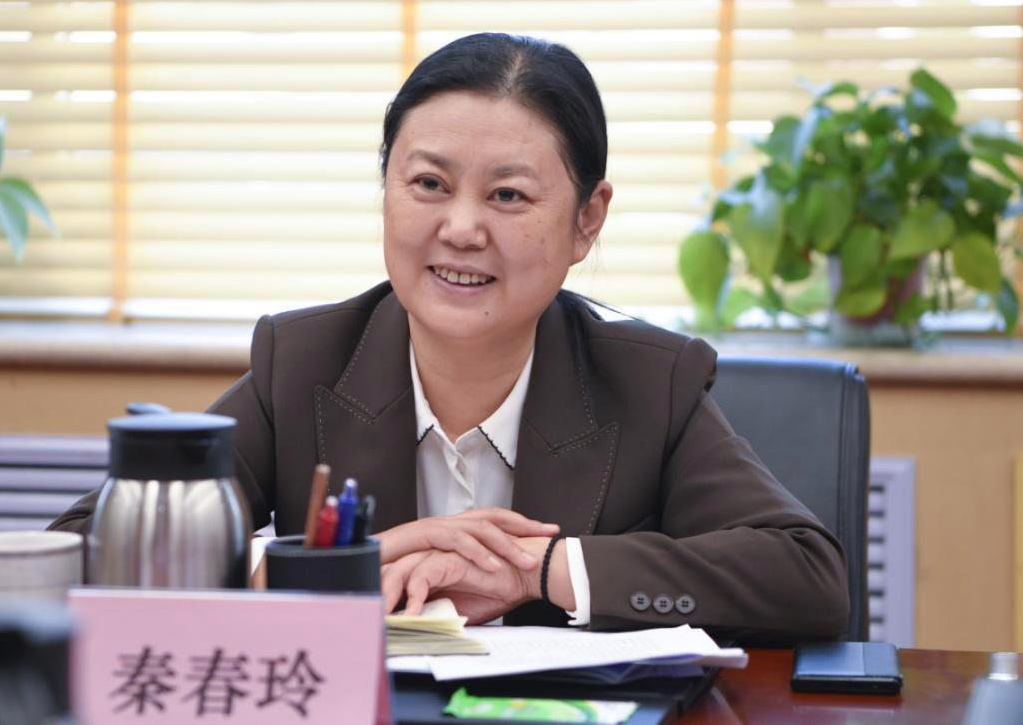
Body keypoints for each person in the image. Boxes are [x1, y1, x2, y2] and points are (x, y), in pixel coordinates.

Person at [51, 32, 849, 643]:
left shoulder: (649, 381)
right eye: (429, 183)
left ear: (587, 219)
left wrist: (536, 567)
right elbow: (77, 554)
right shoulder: (305, 364)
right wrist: (341, 567)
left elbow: (808, 578)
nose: (461, 229)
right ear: (387, 190)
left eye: (508, 195)